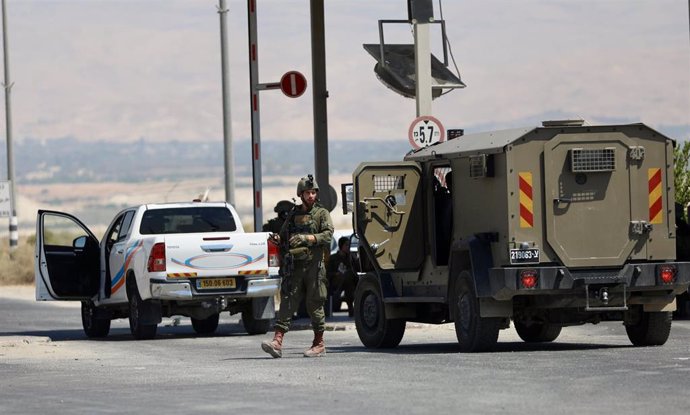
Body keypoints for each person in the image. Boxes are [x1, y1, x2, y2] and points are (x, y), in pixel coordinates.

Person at [261, 174, 334, 358]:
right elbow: (283, 234)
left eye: (313, 192)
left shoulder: (321, 213)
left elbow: (327, 235)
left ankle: (319, 343)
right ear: (300, 194)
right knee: (287, 301)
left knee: (314, 303)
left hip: (314, 267)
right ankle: (277, 342)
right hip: (295, 266)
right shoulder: (294, 214)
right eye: (307, 193)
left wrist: (307, 238)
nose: (311, 196)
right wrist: (278, 239)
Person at [328, 236, 357, 316]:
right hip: (336, 282)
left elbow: (356, 270)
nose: (348, 247)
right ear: (341, 246)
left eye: (349, 245)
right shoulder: (333, 258)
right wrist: (336, 274)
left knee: (348, 276)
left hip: (349, 283)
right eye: (346, 245)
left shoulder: (351, 257)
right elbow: (328, 273)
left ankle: (350, 307)